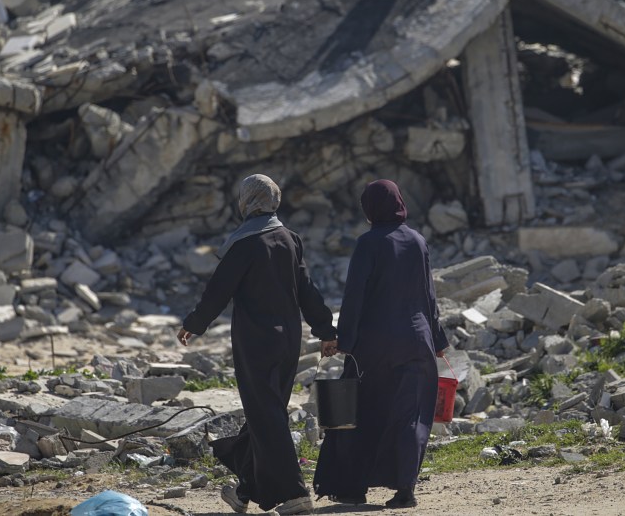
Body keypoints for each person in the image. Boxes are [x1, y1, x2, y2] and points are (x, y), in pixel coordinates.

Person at [177, 174, 338, 515]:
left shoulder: (244, 243)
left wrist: (194, 324)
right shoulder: (290, 238)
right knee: (266, 414)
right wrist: (325, 330)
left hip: (256, 343)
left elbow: (218, 292)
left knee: (265, 414)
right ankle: (244, 492)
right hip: (288, 342)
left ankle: (295, 494)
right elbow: (307, 290)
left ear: (247, 200)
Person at [313, 179, 449, 509]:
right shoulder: (418, 241)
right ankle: (404, 490)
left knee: (361, 413)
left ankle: (352, 489)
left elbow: (354, 296)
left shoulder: (368, 243)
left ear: (369, 209)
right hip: (416, 343)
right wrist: (439, 340)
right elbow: (428, 297)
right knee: (409, 416)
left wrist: (340, 340)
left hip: (372, 348)